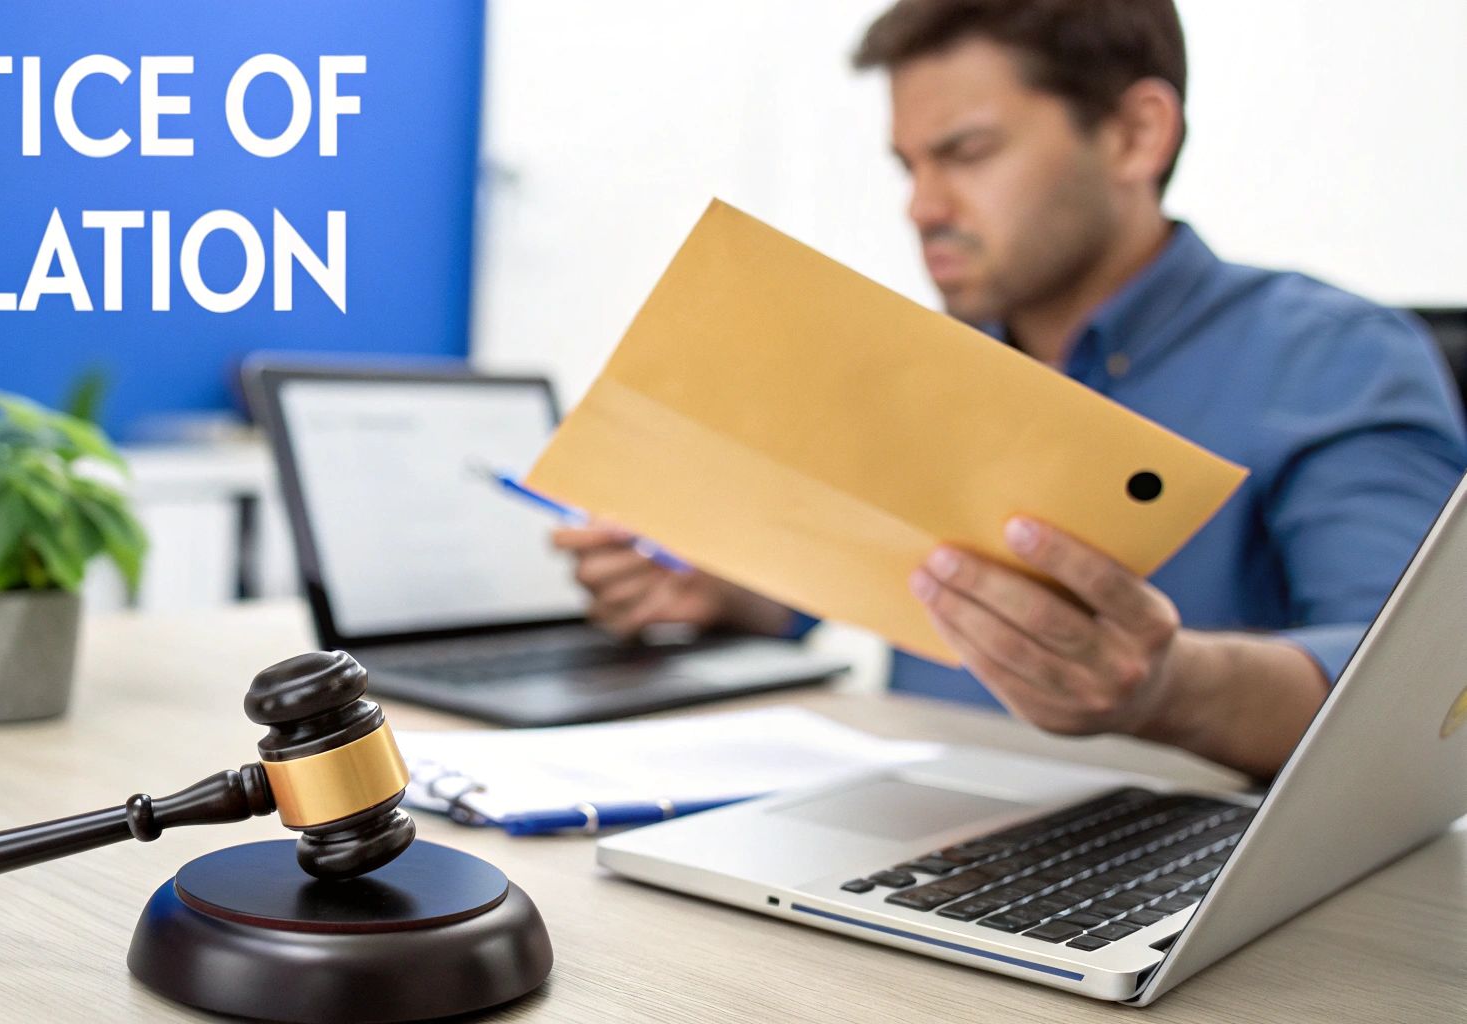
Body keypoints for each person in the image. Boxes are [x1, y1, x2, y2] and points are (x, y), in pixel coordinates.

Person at [554, 0, 1467, 781]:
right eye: (909, 166)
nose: (922, 206)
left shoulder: (1336, 358)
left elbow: (1426, 697)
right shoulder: (940, 361)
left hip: (1175, 893)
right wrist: (712, 587)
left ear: (1137, 133)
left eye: (967, 152)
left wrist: (1165, 689)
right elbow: (842, 581)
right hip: (911, 841)